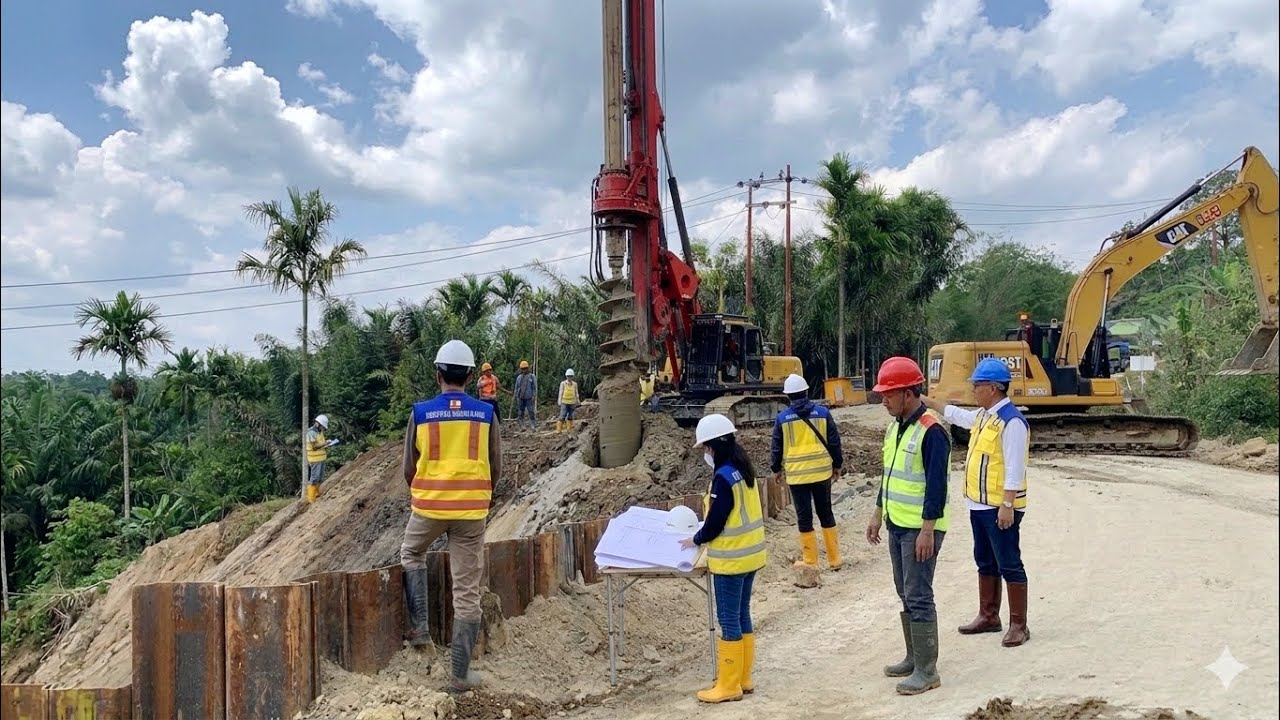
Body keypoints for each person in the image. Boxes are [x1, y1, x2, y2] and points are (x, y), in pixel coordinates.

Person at [400, 339, 503, 693]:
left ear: (437, 374)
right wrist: (480, 494)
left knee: (412, 553)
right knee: (467, 591)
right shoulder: (486, 413)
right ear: (472, 375)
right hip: (472, 512)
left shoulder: (421, 412)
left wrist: (424, 490)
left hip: (429, 507)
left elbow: (408, 467)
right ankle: (459, 675)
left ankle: (420, 630)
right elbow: (496, 464)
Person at [921, 357, 1031, 648]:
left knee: (1009, 563)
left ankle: (1019, 625)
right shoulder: (984, 416)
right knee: (985, 560)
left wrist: (1007, 505)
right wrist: (931, 403)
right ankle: (989, 615)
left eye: (977, 386)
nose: (974, 390)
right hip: (979, 505)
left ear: (993, 388)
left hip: (999, 508)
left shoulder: (1012, 422)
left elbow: (1014, 467)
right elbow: (959, 416)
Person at [865, 357, 950, 695]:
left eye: (889, 394)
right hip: (897, 523)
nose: (883, 400)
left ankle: (927, 671)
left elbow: (936, 488)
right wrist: (876, 513)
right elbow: (889, 474)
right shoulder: (895, 426)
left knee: (918, 594)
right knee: (905, 591)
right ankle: (914, 657)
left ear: (908, 393)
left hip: (921, 528)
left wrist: (927, 530)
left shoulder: (933, 433)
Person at [678, 413, 766, 704]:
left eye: (705, 447)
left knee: (728, 619)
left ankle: (728, 685)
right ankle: (743, 678)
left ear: (714, 446)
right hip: (751, 556)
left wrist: (696, 538)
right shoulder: (743, 470)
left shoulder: (722, 478)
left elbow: (716, 521)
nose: (705, 453)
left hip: (731, 560)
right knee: (742, 615)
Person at [770, 373, 844, 570]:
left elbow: (777, 446)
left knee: (804, 517)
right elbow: (834, 442)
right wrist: (837, 465)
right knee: (826, 513)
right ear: (806, 391)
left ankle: (810, 561)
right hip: (821, 473)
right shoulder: (822, 413)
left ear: (788, 396)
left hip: (797, 476)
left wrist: (776, 469)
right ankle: (835, 560)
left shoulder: (783, 419)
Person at [304, 414, 335, 502]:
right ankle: (311, 497)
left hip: (321, 458)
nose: (323, 428)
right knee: (314, 478)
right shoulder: (311, 432)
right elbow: (314, 446)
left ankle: (316, 493)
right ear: (318, 423)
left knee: (320, 477)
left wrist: (326, 445)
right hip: (314, 459)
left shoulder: (319, 432)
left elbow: (320, 444)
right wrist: (326, 443)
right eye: (322, 426)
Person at [513, 360, 538, 430]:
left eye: (525, 368)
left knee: (531, 411)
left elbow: (534, 387)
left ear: (528, 368)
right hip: (520, 397)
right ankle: (522, 426)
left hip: (529, 397)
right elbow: (516, 387)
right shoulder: (519, 377)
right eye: (523, 369)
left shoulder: (532, 377)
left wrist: (534, 396)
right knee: (521, 412)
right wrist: (516, 396)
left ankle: (533, 425)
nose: (524, 370)